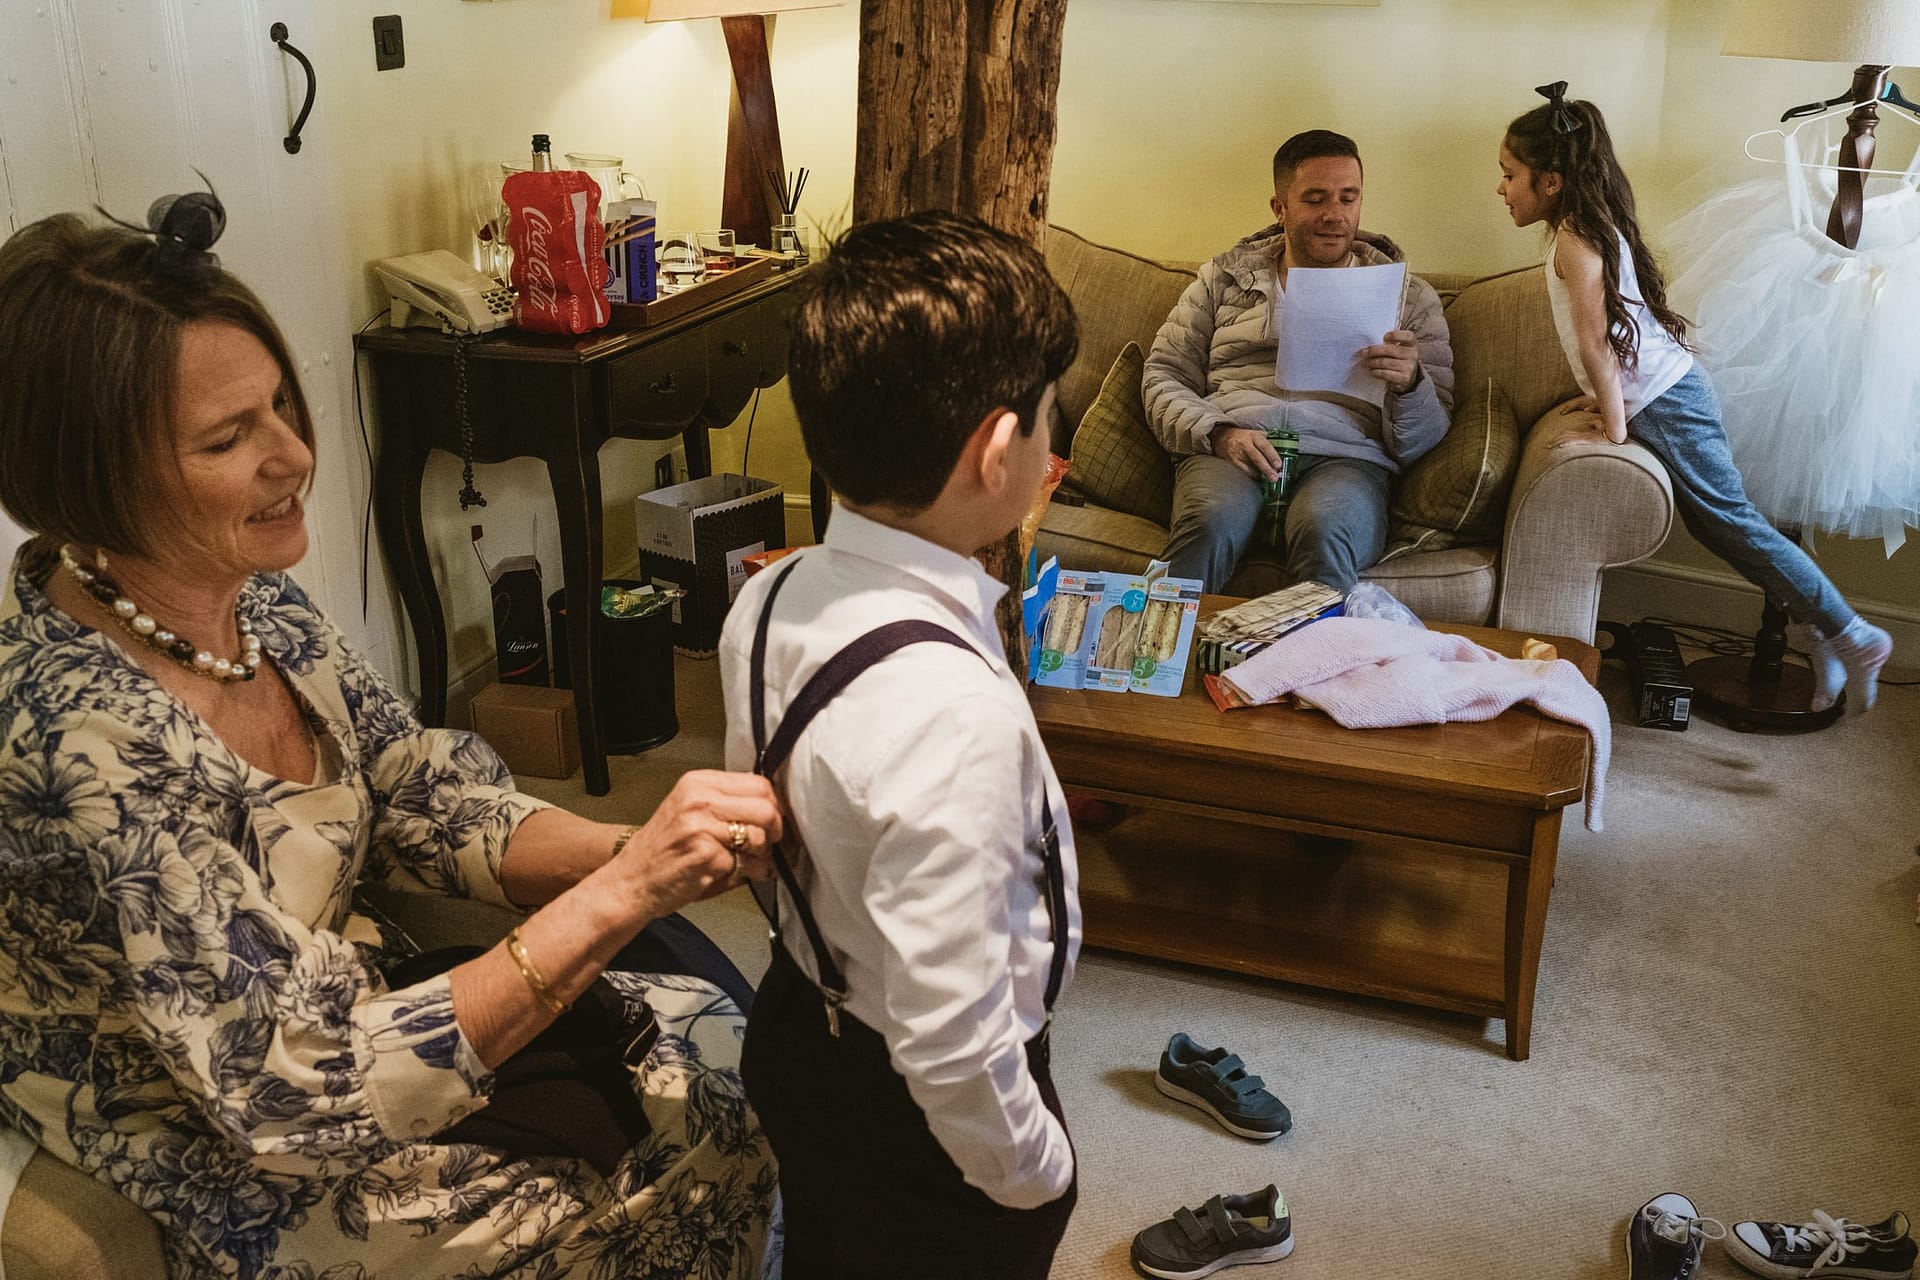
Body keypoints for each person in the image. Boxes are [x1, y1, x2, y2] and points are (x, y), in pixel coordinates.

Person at [0, 195, 784, 1279]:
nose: (293, 456)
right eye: (229, 438)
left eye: (281, 404)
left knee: (734, 1053)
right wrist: (627, 891)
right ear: (92, 478)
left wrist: (640, 848)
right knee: (682, 1146)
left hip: (361, 1015)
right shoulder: (74, 739)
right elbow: (289, 1087)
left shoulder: (247, 597)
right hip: (244, 1144)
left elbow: (418, 791)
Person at [719, 210, 1082, 1280]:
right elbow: (954, 1038)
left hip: (797, 1027)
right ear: (998, 451)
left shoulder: (770, 588)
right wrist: (1034, 1167)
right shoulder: (956, 714)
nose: (1056, 450)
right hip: (921, 1127)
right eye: (1048, 420)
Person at [1498, 82, 1893, 711]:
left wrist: (1617, 425)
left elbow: (1599, 343)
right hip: (1662, 396)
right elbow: (1610, 344)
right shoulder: (1580, 229)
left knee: (1733, 523)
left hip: (1671, 400)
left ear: (1549, 182)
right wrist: (1611, 405)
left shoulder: (1576, 238)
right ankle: (1822, 629)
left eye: (1509, 174)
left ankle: (1853, 631)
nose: (1502, 189)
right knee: (1720, 528)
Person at [1144, 129, 1456, 595]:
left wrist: (1411, 385)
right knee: (1208, 521)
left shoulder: (1408, 297)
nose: (1335, 215)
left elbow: (1428, 438)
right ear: (1280, 208)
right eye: (1315, 199)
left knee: (1324, 527)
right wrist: (1218, 432)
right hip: (1234, 448)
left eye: (1348, 198)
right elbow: (1163, 374)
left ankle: (1313, 668)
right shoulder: (1223, 279)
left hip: (1345, 460)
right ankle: (1152, 661)